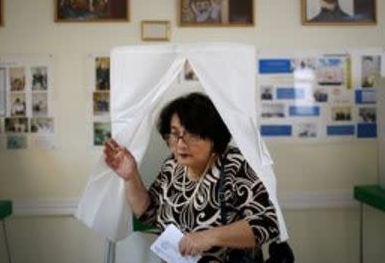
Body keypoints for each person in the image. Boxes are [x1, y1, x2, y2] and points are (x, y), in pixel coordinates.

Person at [104, 92, 280, 262]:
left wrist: (208, 237)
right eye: (175, 134)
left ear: (213, 137)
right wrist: (131, 176)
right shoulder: (173, 165)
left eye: (192, 134)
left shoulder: (236, 163)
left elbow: (267, 223)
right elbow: (149, 213)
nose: (181, 144)